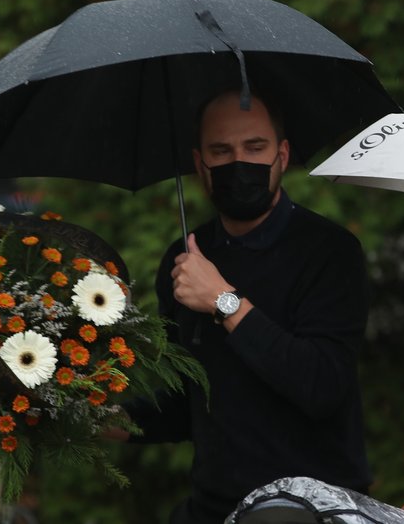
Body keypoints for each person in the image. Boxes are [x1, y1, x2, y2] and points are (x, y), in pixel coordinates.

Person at [123, 89, 373, 523]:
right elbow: (189, 405)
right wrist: (103, 417)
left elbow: (321, 387)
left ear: (282, 154)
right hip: (213, 508)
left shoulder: (330, 252)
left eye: (254, 147)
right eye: (221, 151)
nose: (239, 162)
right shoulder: (185, 260)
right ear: (200, 164)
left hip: (310, 509)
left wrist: (224, 301)